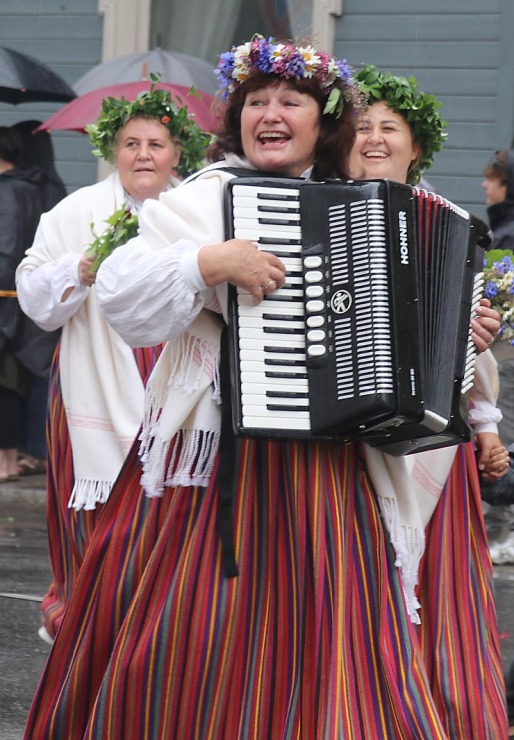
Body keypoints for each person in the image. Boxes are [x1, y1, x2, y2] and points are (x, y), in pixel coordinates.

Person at [24, 38, 506, 738]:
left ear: (322, 119)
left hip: (331, 467)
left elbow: (409, 335)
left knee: (337, 643)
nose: (271, 114)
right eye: (257, 102)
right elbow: (124, 295)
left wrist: (466, 335)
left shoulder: (365, 207)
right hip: (214, 462)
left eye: (291, 101)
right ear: (238, 118)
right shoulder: (204, 196)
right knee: (184, 638)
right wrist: (206, 260)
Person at [16, 87, 210, 645]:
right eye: (131, 143)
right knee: (89, 507)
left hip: (175, 376)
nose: (143, 154)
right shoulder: (75, 212)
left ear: (178, 153)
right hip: (91, 380)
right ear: (113, 151)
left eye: (157, 143)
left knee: (168, 506)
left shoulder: (196, 212)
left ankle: (151, 624)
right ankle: (81, 616)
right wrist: (80, 267)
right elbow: (34, 297)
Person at [11, 120, 67, 476]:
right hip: (48, 286)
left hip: (39, 285)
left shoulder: (28, 187)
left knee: (35, 370)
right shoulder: (53, 183)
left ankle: (35, 449)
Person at [0, 125, 42, 482]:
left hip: (6, 305)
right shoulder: (31, 188)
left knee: (6, 384)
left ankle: (5, 462)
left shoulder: (9, 192)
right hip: (18, 302)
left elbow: (7, 251)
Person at [480, 149, 514, 564]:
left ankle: (497, 533)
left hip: (506, 353)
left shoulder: (507, 236)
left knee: (500, 438)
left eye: (492, 179)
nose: (485, 187)